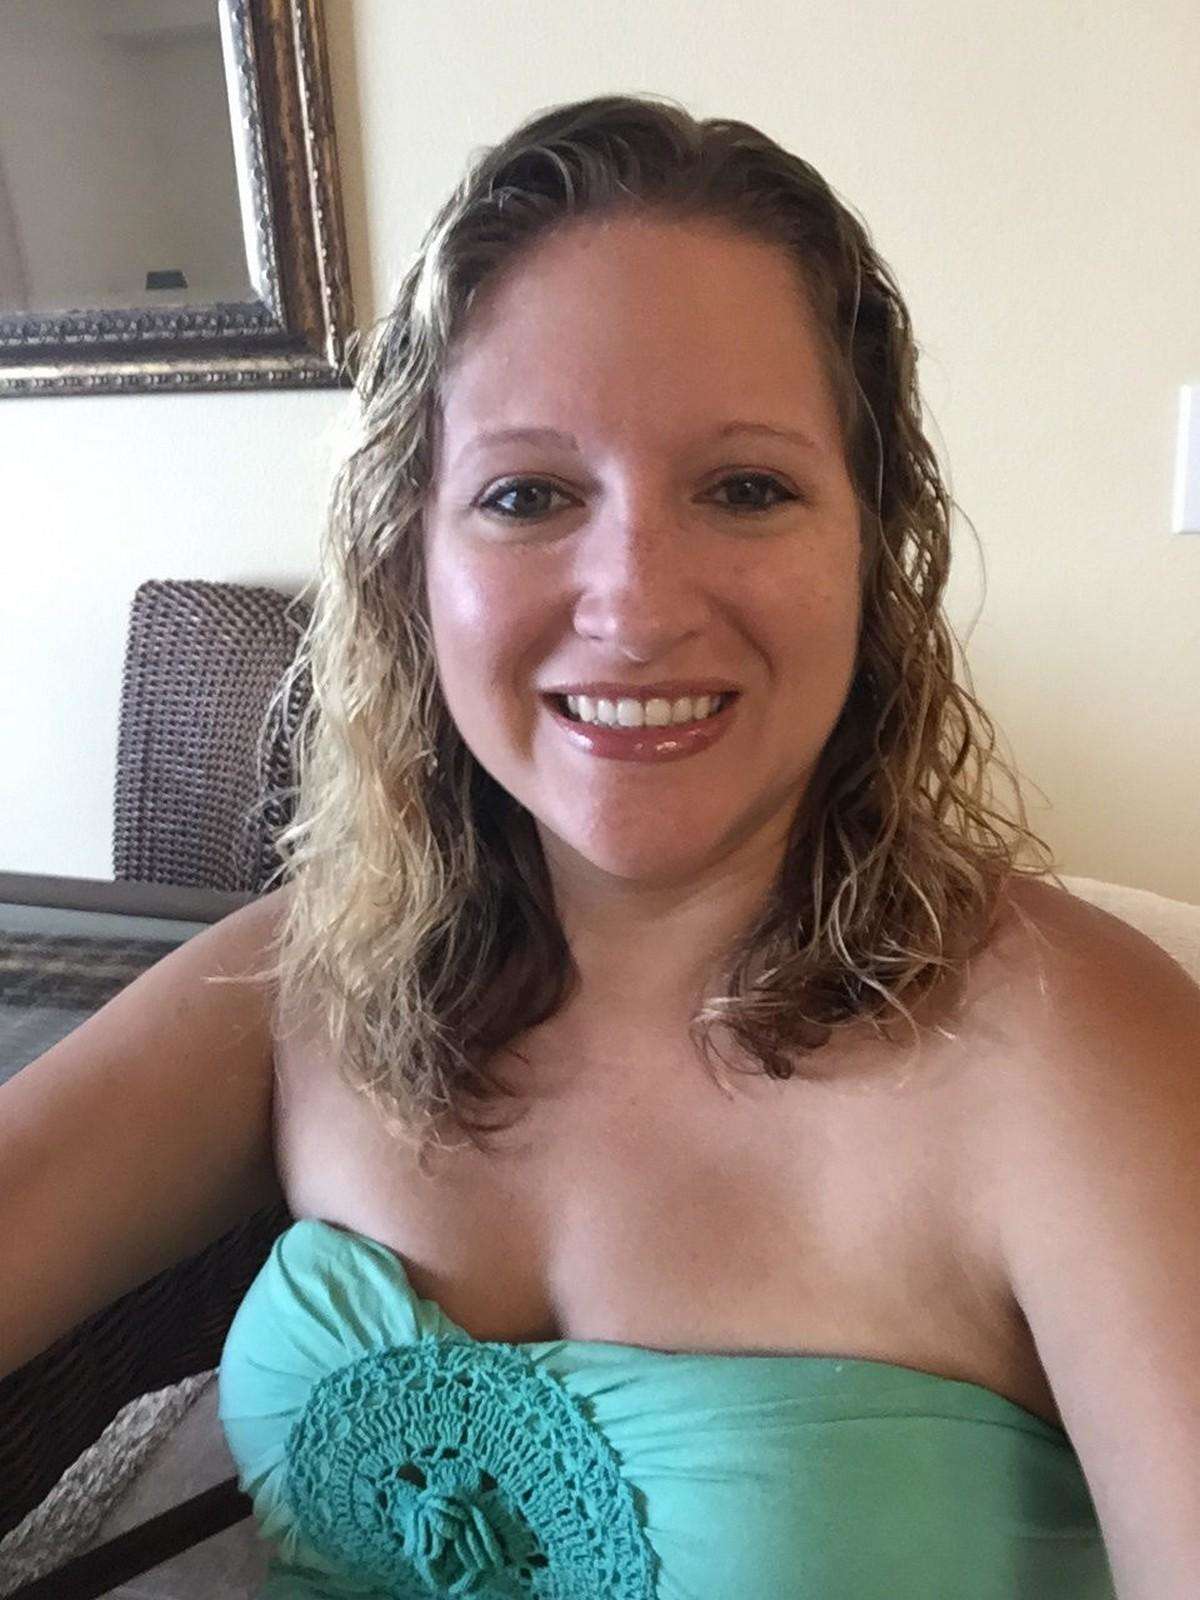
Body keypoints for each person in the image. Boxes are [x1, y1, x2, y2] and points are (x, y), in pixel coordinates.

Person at [3, 93, 1197, 1599]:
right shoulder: (317, 976)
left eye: (746, 488)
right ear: (410, 555)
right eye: (527, 495)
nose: (633, 604)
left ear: (871, 542)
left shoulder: (1079, 1048)